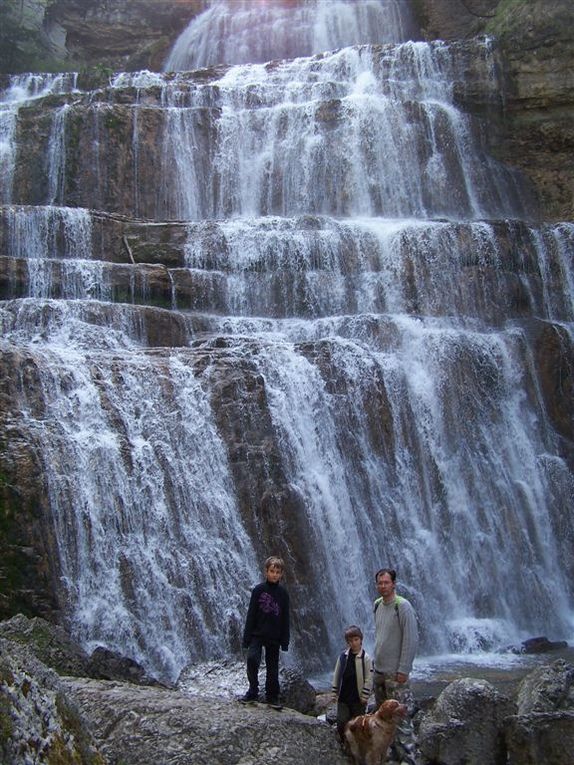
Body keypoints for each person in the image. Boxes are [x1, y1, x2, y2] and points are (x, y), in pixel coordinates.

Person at [373, 568, 418, 765]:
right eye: (380, 583)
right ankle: (390, 756)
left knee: (402, 720)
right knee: (383, 718)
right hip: (380, 672)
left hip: (396, 674)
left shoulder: (403, 606)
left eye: (386, 582)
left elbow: (411, 639)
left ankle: (408, 759)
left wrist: (404, 669)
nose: (383, 586)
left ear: (393, 584)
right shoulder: (377, 605)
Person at [240, 555, 290, 706]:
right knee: (252, 659)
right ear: (266, 572)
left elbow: (285, 618)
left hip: (274, 636)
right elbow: (251, 614)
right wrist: (246, 638)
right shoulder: (258, 590)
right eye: (272, 571)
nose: (274, 574)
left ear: (281, 574)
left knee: (272, 667)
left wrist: (285, 640)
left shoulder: (283, 594)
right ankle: (253, 690)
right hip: (257, 634)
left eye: (277, 572)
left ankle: (272, 697)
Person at [331, 624, 373, 742]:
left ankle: (358, 744)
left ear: (361, 640)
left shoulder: (366, 658)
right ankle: (344, 742)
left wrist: (365, 695)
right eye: (350, 641)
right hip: (343, 696)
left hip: (358, 698)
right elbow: (337, 674)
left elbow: (369, 678)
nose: (354, 643)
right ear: (347, 642)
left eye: (356, 640)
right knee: (342, 721)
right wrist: (334, 692)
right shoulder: (342, 657)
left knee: (358, 723)